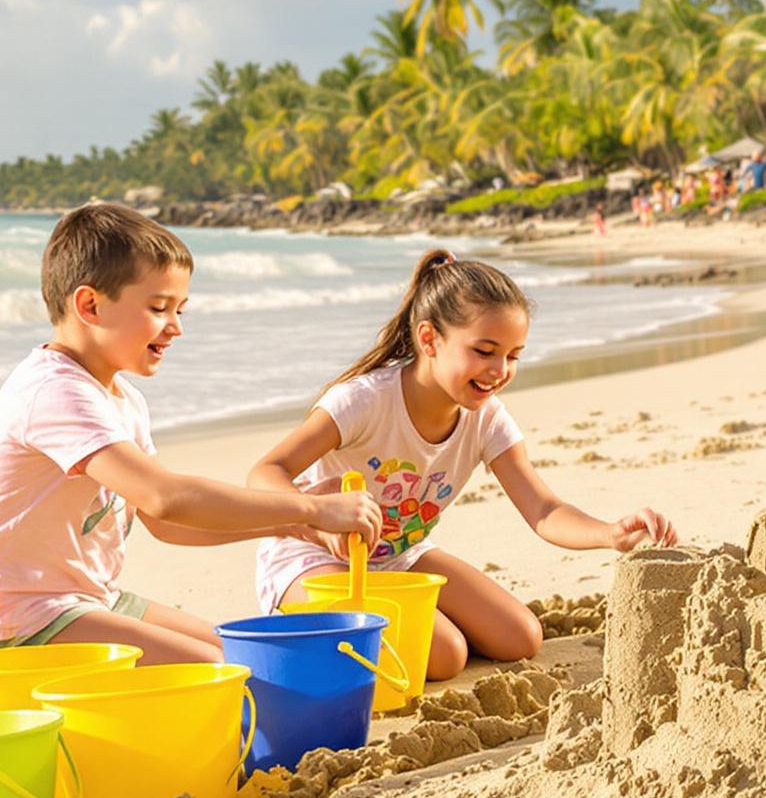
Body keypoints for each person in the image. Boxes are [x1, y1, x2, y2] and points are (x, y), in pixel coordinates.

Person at [0, 203, 380, 663]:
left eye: (180, 309)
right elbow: (165, 497)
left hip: (81, 603)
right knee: (220, 671)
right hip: (7, 626)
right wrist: (309, 506)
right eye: (159, 308)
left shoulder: (121, 398)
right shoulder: (54, 391)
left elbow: (164, 523)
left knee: (245, 652)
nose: (176, 327)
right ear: (89, 305)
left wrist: (293, 523)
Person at [250, 249, 677, 679]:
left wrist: (610, 533)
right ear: (429, 340)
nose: (500, 370)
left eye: (513, 355)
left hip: (399, 557)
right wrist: (318, 519)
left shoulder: (487, 419)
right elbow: (266, 472)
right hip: (311, 558)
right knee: (445, 654)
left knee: (520, 637)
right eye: (484, 351)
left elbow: (544, 510)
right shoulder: (363, 401)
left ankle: (373, 627)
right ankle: (304, 626)